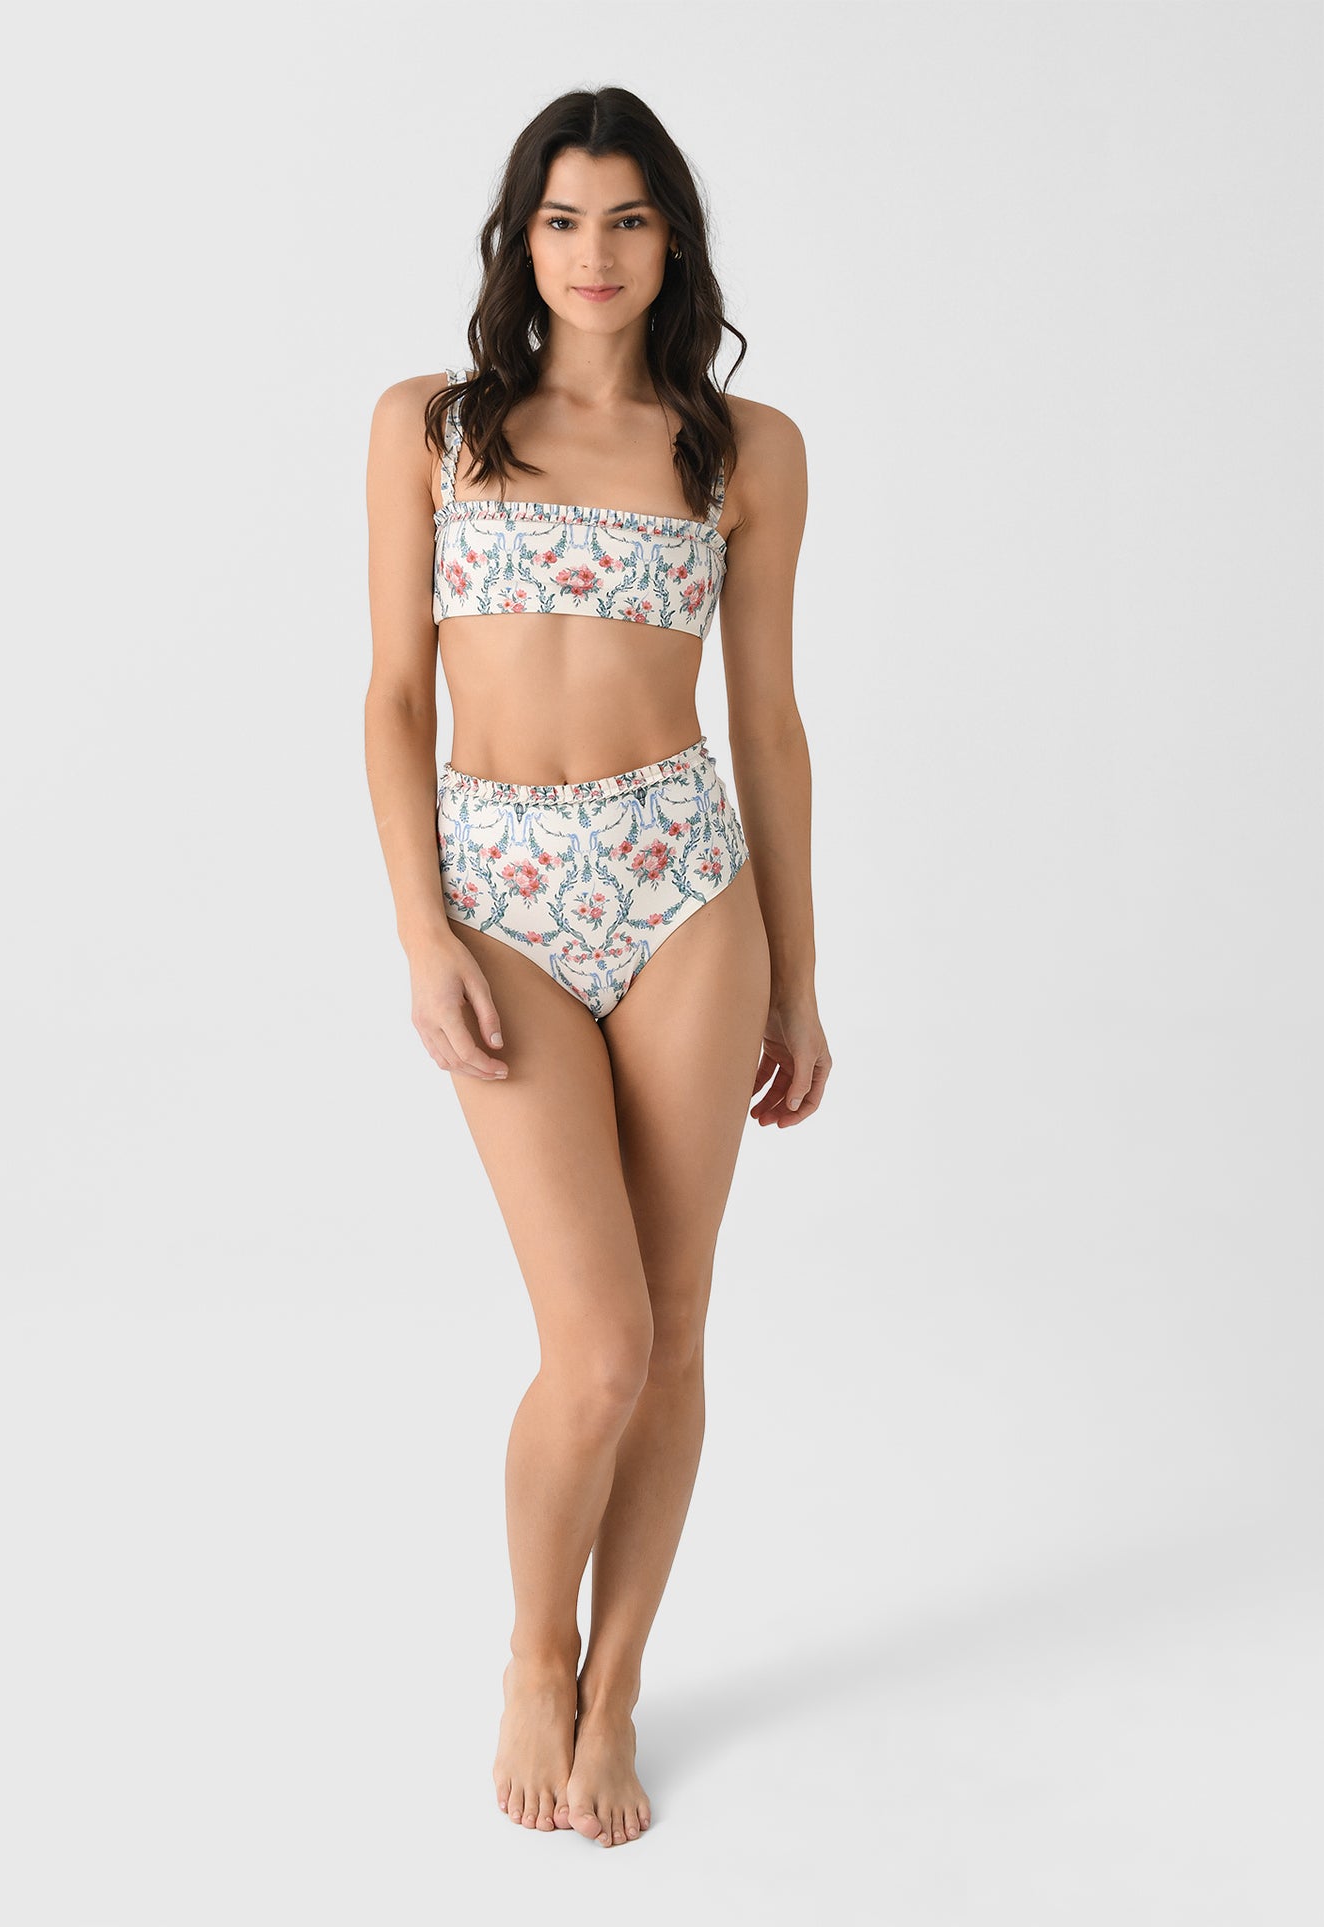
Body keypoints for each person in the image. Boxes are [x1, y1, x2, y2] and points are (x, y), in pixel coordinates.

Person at [363, 86, 830, 1848]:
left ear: (671, 241)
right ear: (522, 239)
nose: (594, 253)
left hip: (684, 884)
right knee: (598, 1345)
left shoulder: (744, 449)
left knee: (674, 1325)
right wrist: (421, 933)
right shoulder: (430, 427)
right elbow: (391, 699)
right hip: (499, 895)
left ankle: (615, 1684)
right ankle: (530, 1658)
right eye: (563, 219)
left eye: (628, 219)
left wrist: (796, 977)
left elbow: (766, 723)